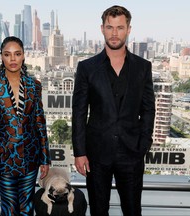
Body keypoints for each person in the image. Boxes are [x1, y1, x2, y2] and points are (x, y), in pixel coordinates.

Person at [72, 5, 155, 216]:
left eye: (120, 27)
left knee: (133, 210)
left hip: (132, 152)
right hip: (97, 154)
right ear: (102, 29)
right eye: (110, 27)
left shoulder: (143, 67)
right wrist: (80, 152)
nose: (114, 33)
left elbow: (148, 109)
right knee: (99, 211)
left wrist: (144, 144)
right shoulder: (87, 67)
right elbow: (79, 112)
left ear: (128, 29)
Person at [0, 36, 50, 216]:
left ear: (23, 56)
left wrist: (45, 158)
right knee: (9, 208)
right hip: (4, 159)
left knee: (27, 207)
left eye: (17, 54)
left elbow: (39, 122)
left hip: (30, 156)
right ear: (1, 57)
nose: (12, 59)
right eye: (7, 54)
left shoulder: (34, 85)